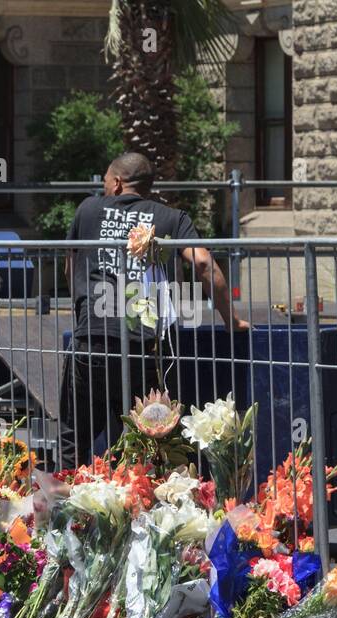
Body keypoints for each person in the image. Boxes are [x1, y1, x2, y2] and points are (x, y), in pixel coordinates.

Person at [61, 151, 244, 468]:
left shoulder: (88, 209)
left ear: (117, 183)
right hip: (141, 348)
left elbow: (69, 265)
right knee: (139, 442)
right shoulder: (171, 218)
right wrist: (232, 320)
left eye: (106, 180)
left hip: (90, 341)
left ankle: (63, 510)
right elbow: (203, 263)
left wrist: (81, 311)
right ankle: (131, 508)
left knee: (72, 438)